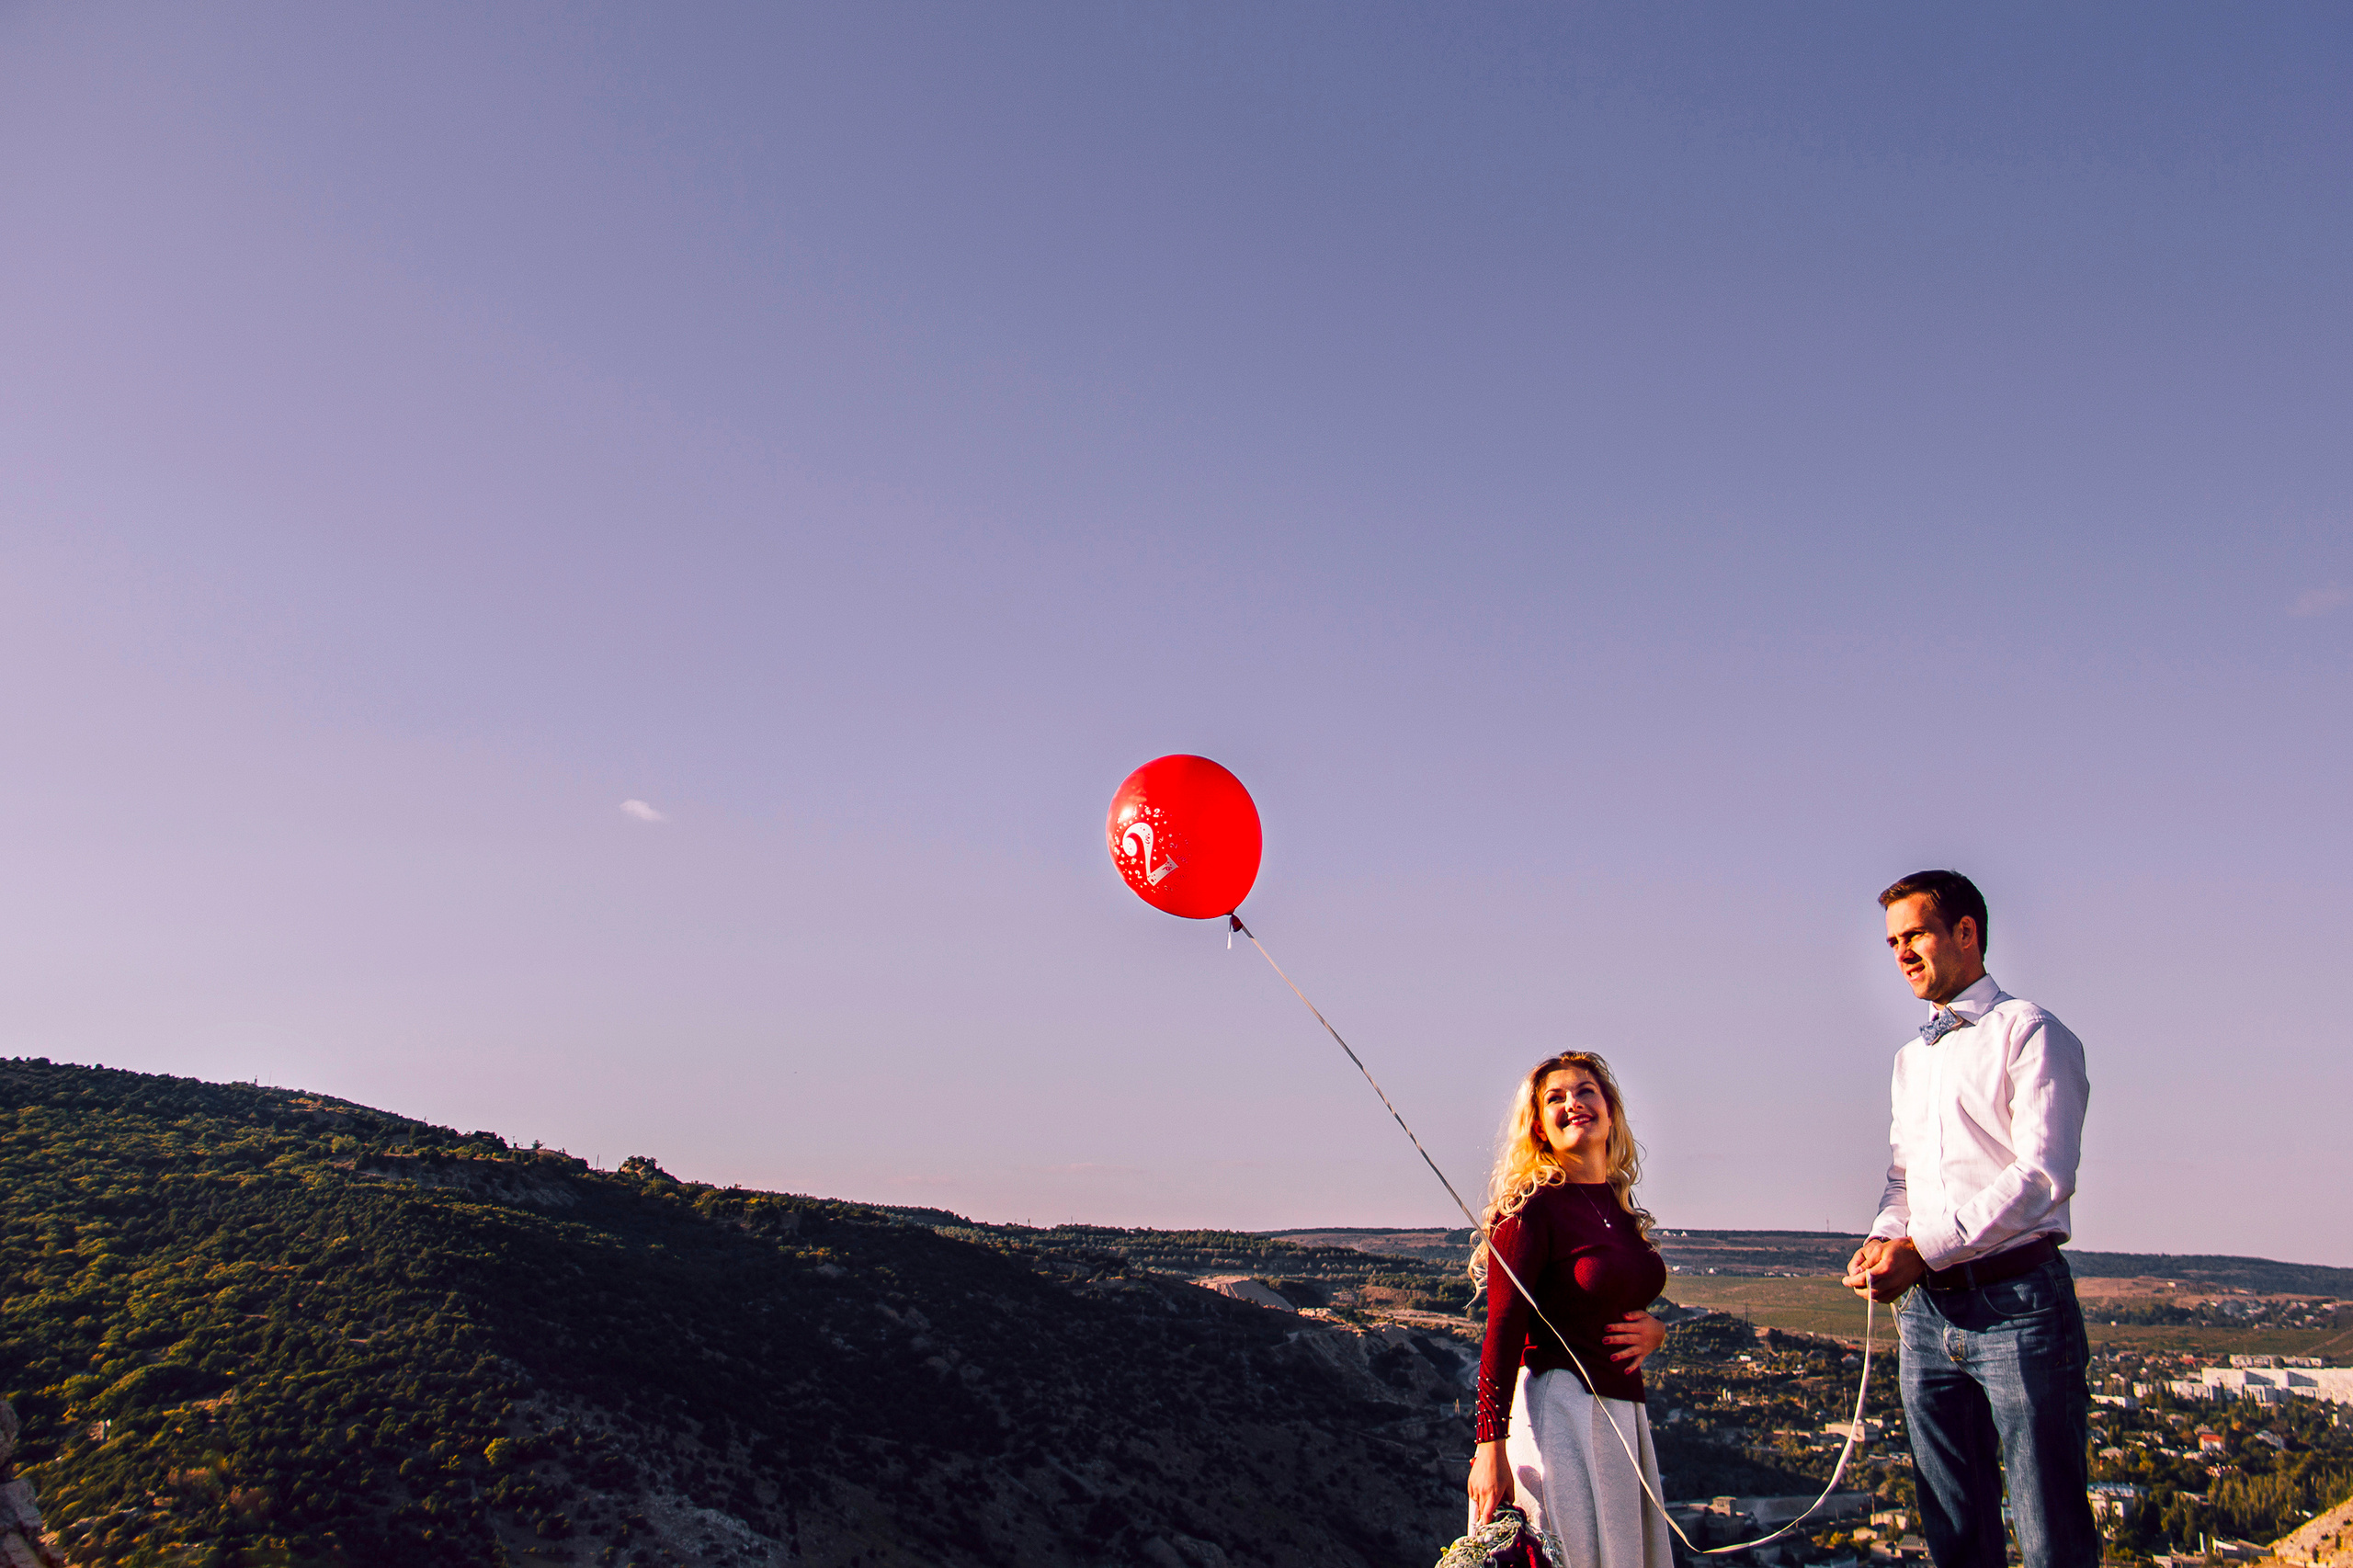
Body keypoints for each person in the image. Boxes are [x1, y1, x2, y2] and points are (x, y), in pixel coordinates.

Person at [1843, 870, 2097, 1568]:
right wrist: (1883, 1236)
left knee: (2051, 1533)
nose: (1902, 953)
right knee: (1955, 1532)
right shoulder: (1909, 1059)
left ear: (1966, 932)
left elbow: (2042, 1176)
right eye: (1893, 941)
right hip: (1925, 1321)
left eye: (1916, 933)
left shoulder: (2033, 1033)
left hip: (2020, 1307)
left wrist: (1922, 1249)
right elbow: (1906, 1179)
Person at [1466, 1051, 1672, 1568]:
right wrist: (1490, 1448)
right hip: (1557, 1420)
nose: (1573, 1103)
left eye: (1585, 1091)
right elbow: (1504, 1328)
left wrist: (1657, 1332)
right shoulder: (1529, 1211)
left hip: (1622, 1418)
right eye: (1554, 1098)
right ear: (1538, 1126)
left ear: (1610, 1110)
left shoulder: (1620, 1209)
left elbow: (1615, 1297)